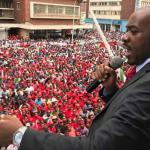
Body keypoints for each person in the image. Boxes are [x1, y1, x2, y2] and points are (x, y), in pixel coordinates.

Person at [1, 6, 150, 150]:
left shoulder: (146, 85)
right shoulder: (141, 74)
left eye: (134, 31)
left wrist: (20, 135)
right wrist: (111, 90)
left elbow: (97, 147)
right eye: (126, 30)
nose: (124, 38)